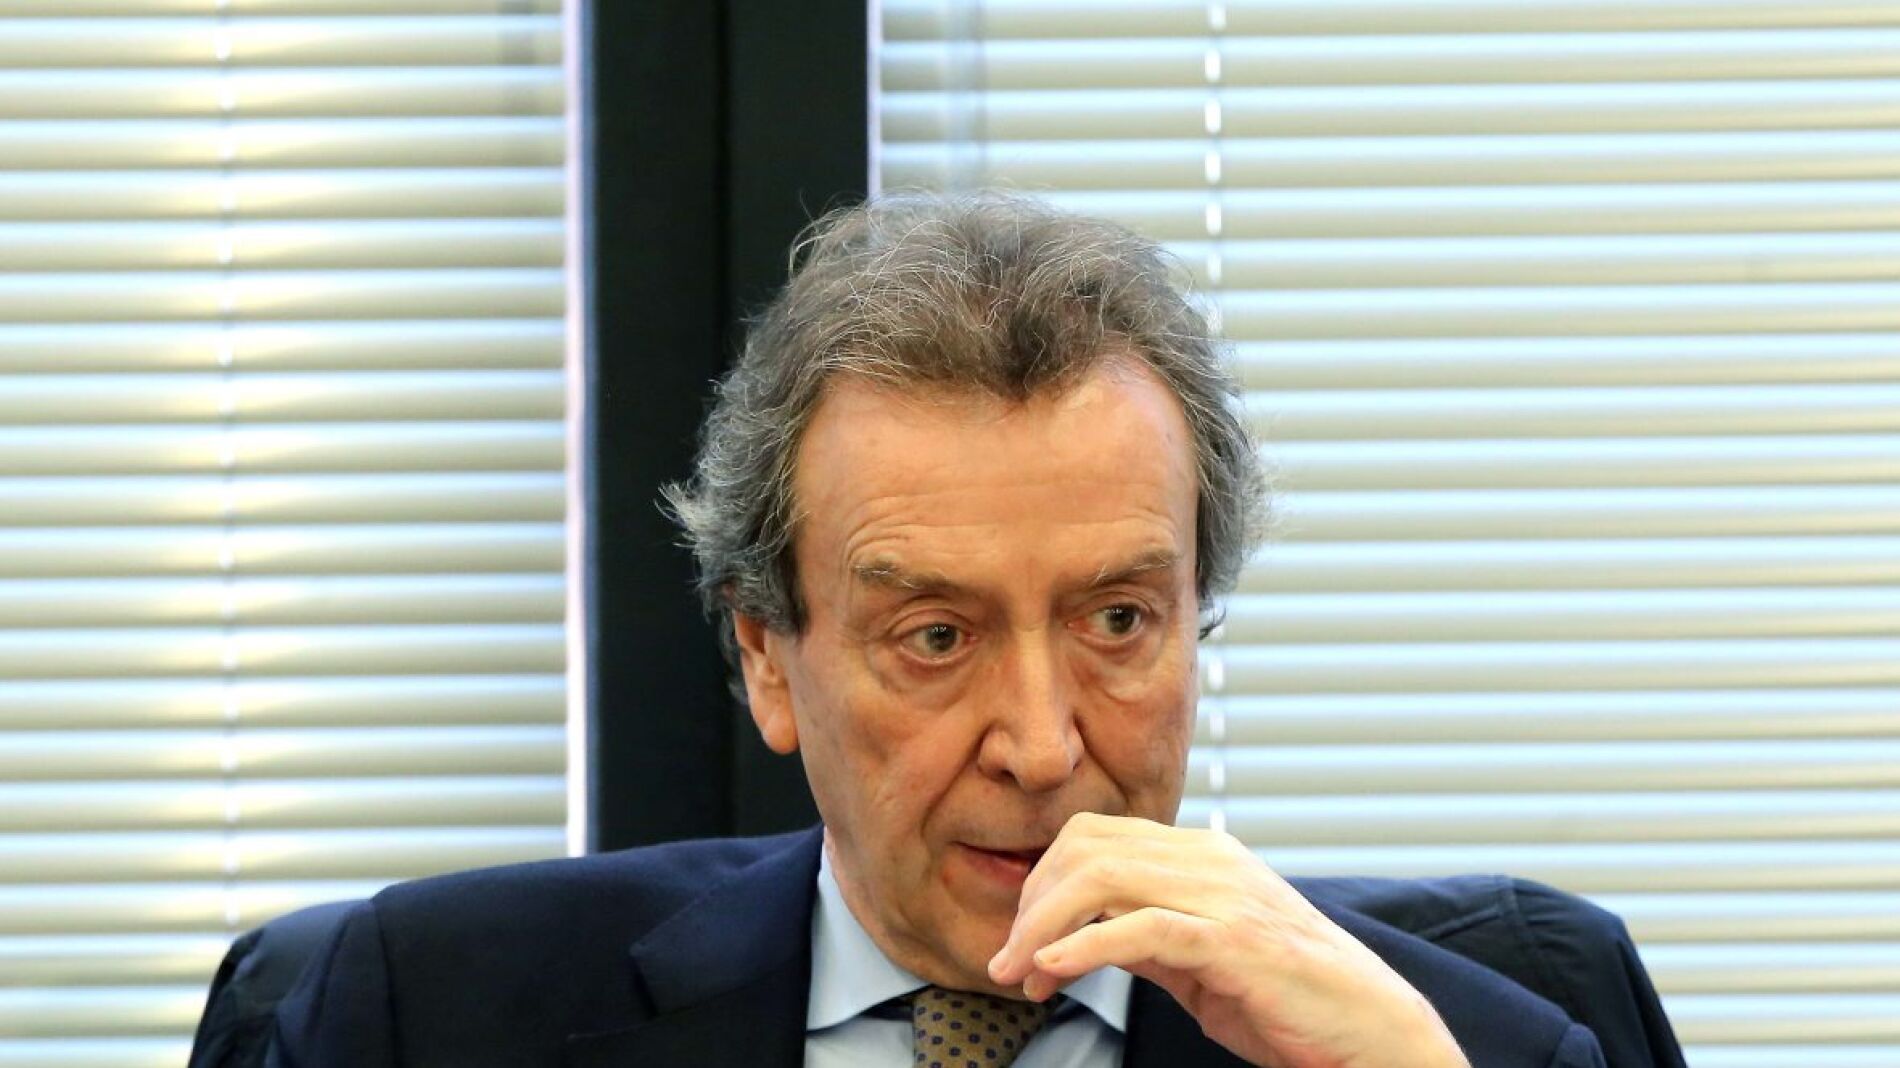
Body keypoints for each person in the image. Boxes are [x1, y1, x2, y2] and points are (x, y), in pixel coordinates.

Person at [267, 193, 1681, 1067]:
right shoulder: (427, 1014)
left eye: (1118, 619)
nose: (1042, 746)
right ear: (766, 656)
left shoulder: (1489, 1039)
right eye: (935, 637)